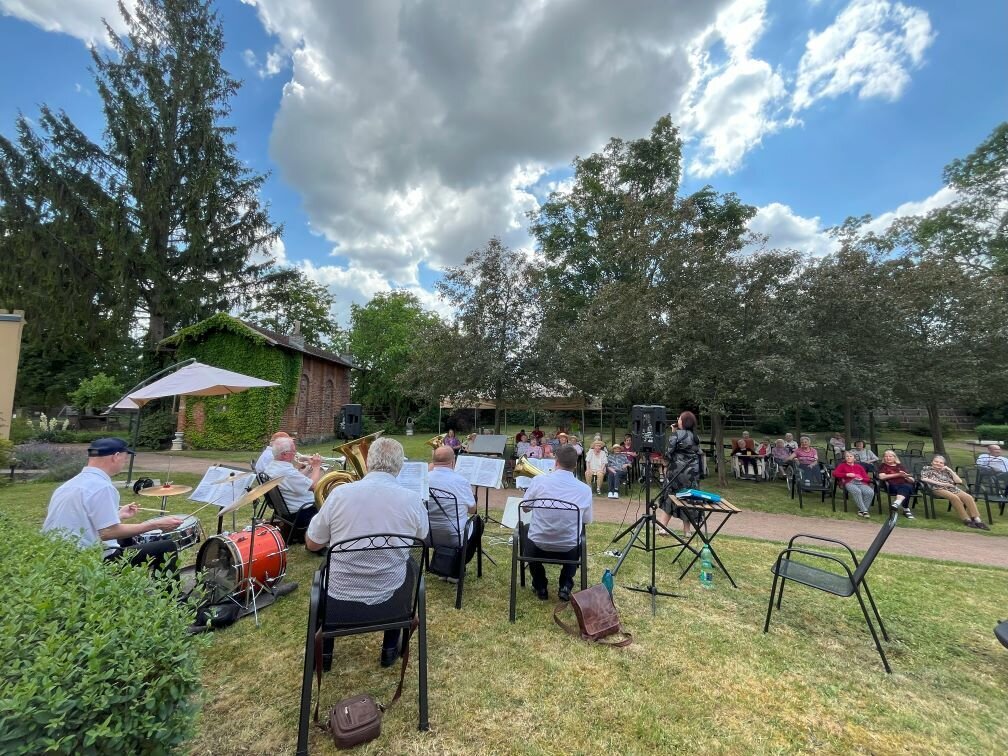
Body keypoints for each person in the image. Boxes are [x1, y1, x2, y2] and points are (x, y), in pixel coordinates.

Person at [306, 437, 429, 668]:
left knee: (325, 572)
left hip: (338, 598)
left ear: (368, 462)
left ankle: (325, 655)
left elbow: (313, 544)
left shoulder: (339, 495)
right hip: (392, 598)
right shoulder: (413, 499)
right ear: (400, 466)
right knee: (408, 567)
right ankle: (389, 650)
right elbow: (421, 537)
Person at [42, 438, 184, 575]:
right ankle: (167, 592)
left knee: (128, 539)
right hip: (87, 560)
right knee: (167, 547)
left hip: (58, 554)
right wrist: (156, 524)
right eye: (125, 459)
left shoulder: (69, 485)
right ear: (116, 456)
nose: (124, 463)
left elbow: (81, 519)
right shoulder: (103, 487)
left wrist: (118, 515)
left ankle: (129, 584)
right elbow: (107, 533)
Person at [520, 445, 592, 602]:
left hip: (538, 546)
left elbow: (525, 508)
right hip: (568, 549)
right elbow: (586, 520)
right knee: (577, 534)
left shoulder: (539, 481)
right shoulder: (585, 489)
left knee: (525, 530)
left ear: (556, 462)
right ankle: (565, 585)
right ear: (575, 465)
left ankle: (540, 585)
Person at [427, 446, 483, 564]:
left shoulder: (422, 479)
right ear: (453, 461)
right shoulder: (461, 481)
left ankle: (442, 563)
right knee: (478, 523)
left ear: (433, 461)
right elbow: (472, 510)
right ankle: (458, 566)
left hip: (425, 536)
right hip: (453, 537)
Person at [656, 411, 702, 535]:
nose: (678, 420)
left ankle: (662, 527)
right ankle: (687, 531)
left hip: (677, 472)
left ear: (683, 421)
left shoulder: (676, 435)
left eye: (679, 418)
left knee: (670, 497)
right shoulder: (695, 437)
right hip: (692, 473)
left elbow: (668, 453)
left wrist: (673, 433)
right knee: (688, 499)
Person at [264, 436, 322, 531]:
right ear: (284, 454)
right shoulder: (287, 472)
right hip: (302, 513)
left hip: (287, 511)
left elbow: (293, 481)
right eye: (293, 451)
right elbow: (313, 486)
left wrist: (308, 468)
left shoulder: (273, 466)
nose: (295, 453)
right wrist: (316, 467)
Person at [920, 455, 989, 530]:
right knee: (954, 497)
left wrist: (949, 470)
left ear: (943, 464)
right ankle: (966, 519)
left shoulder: (946, 470)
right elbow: (924, 478)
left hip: (952, 488)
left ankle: (977, 519)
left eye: (941, 463)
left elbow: (959, 481)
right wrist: (942, 484)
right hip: (937, 488)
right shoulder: (927, 469)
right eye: (936, 461)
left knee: (968, 497)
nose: (938, 463)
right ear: (932, 462)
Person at [833, 451, 876, 518]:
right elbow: (834, 473)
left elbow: (867, 479)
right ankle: (864, 510)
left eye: (851, 456)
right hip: (849, 482)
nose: (849, 458)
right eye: (847, 456)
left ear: (854, 458)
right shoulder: (842, 465)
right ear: (845, 458)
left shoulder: (859, 467)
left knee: (870, 492)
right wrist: (847, 474)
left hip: (861, 483)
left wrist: (861, 479)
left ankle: (861, 510)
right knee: (857, 491)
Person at [877, 450, 917, 519]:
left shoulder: (900, 466)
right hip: (892, 485)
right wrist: (898, 474)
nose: (888, 458)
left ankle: (897, 503)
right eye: (886, 456)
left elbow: (912, 480)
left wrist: (906, 477)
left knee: (906, 486)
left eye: (890, 456)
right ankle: (906, 509)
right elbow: (882, 477)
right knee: (906, 488)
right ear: (884, 458)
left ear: (894, 457)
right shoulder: (883, 466)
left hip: (904, 484)